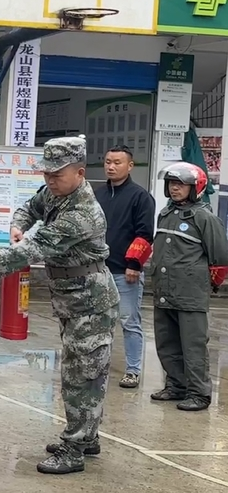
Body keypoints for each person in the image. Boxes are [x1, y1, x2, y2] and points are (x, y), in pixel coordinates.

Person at [0, 137, 119, 475]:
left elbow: (35, 249)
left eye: (56, 175)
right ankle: (86, 435)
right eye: (46, 173)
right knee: (83, 370)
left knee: (81, 375)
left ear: (79, 173)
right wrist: (18, 224)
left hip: (91, 301)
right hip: (70, 297)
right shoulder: (55, 192)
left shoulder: (82, 212)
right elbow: (29, 207)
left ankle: (74, 448)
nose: (49, 180)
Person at [148, 162, 228, 412]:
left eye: (181, 184)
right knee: (167, 343)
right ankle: (175, 385)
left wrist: (210, 284)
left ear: (195, 187)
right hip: (164, 292)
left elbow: (220, 257)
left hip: (190, 294)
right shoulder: (166, 214)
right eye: (171, 184)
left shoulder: (204, 217)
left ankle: (199, 393)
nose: (174, 188)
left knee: (192, 346)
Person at [94, 146, 155, 389]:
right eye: (108, 161)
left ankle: (132, 370)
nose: (111, 166)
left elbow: (144, 235)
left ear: (130, 166)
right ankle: (97, 366)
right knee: (98, 322)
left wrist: (134, 265)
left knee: (129, 321)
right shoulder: (97, 195)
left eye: (117, 162)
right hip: (97, 270)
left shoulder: (140, 197)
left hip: (124, 272)